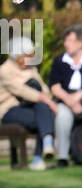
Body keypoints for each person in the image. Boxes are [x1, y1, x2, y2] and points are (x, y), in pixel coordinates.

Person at [0, 37, 59, 170]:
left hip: (31, 107)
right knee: (44, 113)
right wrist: (47, 100)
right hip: (10, 110)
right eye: (26, 57)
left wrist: (46, 98)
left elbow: (44, 89)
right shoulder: (4, 70)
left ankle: (42, 152)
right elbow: (21, 90)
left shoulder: (31, 69)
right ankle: (42, 151)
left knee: (42, 109)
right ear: (17, 56)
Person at [48, 25, 82, 167]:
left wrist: (79, 96)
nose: (66, 44)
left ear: (81, 42)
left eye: (70, 40)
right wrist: (69, 100)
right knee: (62, 116)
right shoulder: (59, 61)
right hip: (65, 100)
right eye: (65, 40)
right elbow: (55, 86)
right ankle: (62, 158)